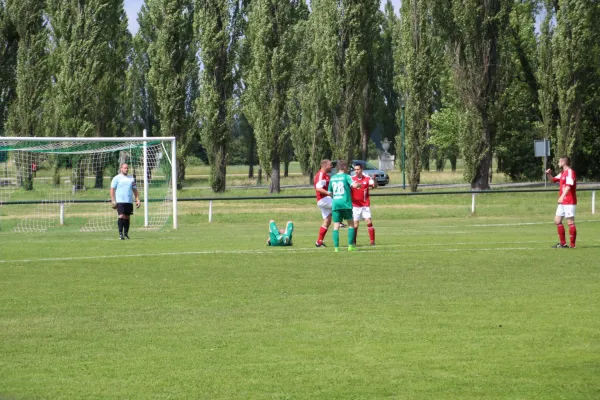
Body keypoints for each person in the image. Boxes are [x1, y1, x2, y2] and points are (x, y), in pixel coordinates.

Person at [328, 160, 361, 252]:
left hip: (336, 203)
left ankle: (336, 248)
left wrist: (335, 198)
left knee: (336, 225)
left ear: (337, 168)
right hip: (345, 203)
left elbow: (330, 192)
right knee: (351, 224)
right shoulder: (347, 176)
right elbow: (354, 185)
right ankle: (350, 246)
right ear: (345, 167)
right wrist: (360, 184)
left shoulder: (333, 178)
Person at [546, 156, 577, 248]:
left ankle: (572, 245)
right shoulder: (562, 173)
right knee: (557, 220)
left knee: (570, 222)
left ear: (564, 162)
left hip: (569, 200)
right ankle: (563, 243)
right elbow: (552, 180)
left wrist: (562, 196)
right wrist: (548, 174)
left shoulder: (570, 172)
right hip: (562, 202)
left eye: (559, 162)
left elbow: (568, 186)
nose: (558, 163)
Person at [110, 163, 140, 240]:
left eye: (127, 168)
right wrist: (113, 200)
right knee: (121, 216)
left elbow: (135, 190)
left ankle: (126, 234)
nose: (126, 169)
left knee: (127, 217)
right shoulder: (116, 178)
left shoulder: (131, 178)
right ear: (121, 169)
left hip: (129, 201)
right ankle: (120, 234)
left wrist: (137, 200)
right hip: (120, 201)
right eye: (124, 168)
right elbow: (112, 189)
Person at [351, 163, 377, 246]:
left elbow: (375, 186)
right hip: (355, 205)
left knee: (369, 221)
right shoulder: (352, 179)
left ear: (362, 170)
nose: (357, 171)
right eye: (355, 169)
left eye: (358, 169)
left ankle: (372, 241)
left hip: (365, 205)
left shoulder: (367, 178)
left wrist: (375, 179)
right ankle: (354, 242)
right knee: (355, 224)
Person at [314, 159, 333, 247]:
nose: (331, 166)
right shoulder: (320, 174)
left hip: (324, 199)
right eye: (330, 165)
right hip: (323, 199)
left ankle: (319, 242)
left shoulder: (327, 176)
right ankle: (339, 222)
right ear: (324, 166)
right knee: (339, 205)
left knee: (327, 220)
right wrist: (328, 193)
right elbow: (318, 188)